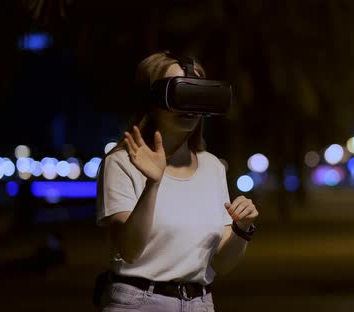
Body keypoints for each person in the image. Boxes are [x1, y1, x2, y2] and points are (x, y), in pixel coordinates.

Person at [95, 51, 259, 312]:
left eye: (198, 93)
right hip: (140, 303)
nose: (189, 105)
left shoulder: (212, 167)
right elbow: (129, 249)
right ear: (151, 100)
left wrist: (242, 228)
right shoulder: (121, 163)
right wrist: (153, 184)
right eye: (180, 92)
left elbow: (222, 264)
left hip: (201, 303)